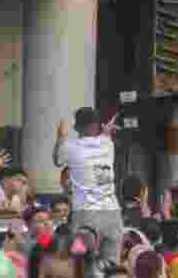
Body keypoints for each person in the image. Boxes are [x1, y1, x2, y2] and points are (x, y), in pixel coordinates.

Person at [55, 107, 124, 268]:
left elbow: (57, 160)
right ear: (98, 125)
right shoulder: (108, 144)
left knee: (82, 265)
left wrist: (60, 138)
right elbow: (104, 136)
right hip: (113, 214)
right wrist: (106, 132)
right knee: (112, 267)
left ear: (76, 127)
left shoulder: (70, 147)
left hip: (86, 214)